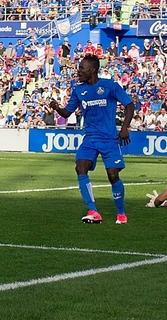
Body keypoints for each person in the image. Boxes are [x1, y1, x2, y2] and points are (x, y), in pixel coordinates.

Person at [49, 55, 135, 224]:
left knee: (112, 175)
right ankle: (93, 211)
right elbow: (67, 113)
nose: (78, 71)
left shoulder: (110, 86)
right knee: (81, 167)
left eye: (82, 68)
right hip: (90, 138)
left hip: (110, 138)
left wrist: (125, 127)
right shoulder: (79, 90)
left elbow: (129, 104)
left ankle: (121, 213)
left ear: (93, 70)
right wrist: (57, 107)